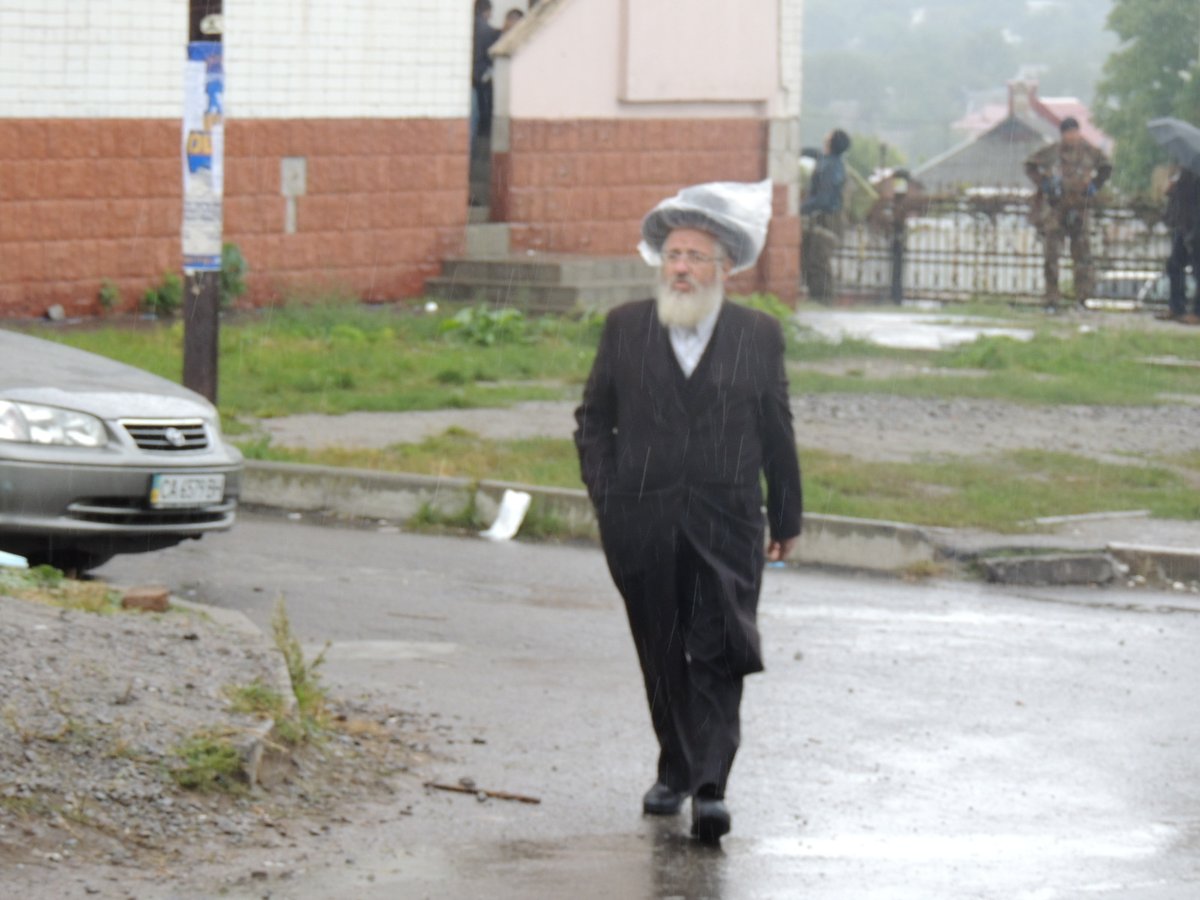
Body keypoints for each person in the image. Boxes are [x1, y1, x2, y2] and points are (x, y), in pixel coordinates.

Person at [573, 181, 803, 843]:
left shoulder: (757, 334)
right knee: (662, 650)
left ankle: (710, 787)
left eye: (695, 256)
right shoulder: (625, 328)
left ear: (723, 267)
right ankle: (674, 767)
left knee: (722, 649)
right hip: (640, 521)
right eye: (672, 254)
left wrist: (785, 515)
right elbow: (594, 423)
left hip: (727, 521)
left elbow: (776, 427)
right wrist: (609, 498)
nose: (680, 267)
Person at [1024, 117, 1112, 311]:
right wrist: (1045, 184)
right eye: (1068, 133)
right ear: (1063, 134)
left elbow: (1106, 167)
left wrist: (1094, 186)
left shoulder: (1089, 152)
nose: (1072, 137)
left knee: (1082, 257)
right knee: (1051, 257)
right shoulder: (1052, 152)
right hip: (1056, 209)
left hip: (1080, 208)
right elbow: (1029, 165)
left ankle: (1081, 298)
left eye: (1075, 132)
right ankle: (1052, 299)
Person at [800, 128, 851, 302]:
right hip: (823, 217)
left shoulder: (831, 167)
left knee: (818, 259)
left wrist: (800, 208)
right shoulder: (830, 162)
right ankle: (818, 296)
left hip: (828, 219)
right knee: (809, 257)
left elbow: (824, 198)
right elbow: (816, 155)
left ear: (831, 142)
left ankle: (823, 299)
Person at [1162, 167, 1200, 323]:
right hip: (1184, 221)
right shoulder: (1189, 166)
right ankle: (1176, 306)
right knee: (1174, 264)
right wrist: (1172, 187)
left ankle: (1197, 312)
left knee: (1198, 267)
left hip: (1196, 221)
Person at [471, 0, 501, 155]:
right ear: (486, 11)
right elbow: (490, 56)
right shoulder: (487, 30)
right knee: (481, 114)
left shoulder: (468, 26)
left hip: (470, 77)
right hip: (482, 77)